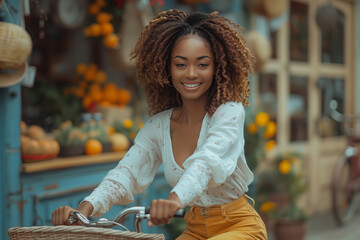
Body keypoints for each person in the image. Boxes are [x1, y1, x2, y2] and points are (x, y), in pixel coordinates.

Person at [52, 9, 267, 240]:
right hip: (195, 229)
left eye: (202, 64)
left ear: (217, 68)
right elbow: (126, 174)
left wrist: (173, 200)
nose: (191, 73)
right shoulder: (158, 126)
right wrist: (82, 211)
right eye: (181, 64)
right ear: (167, 68)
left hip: (238, 226)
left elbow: (206, 162)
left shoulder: (229, 112)